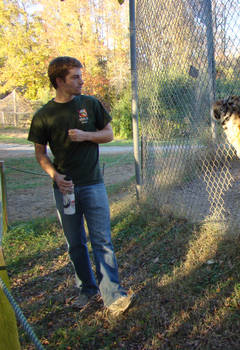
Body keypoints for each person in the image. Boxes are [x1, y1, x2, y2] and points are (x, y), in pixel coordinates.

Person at [28, 56, 133, 317]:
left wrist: (86, 135)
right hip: (65, 189)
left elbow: (108, 134)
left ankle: (113, 295)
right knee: (75, 243)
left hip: (93, 184)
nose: (81, 80)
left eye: (80, 75)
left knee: (102, 240)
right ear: (59, 81)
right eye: (75, 77)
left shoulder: (90, 104)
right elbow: (40, 154)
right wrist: (55, 176)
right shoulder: (43, 116)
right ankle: (87, 289)